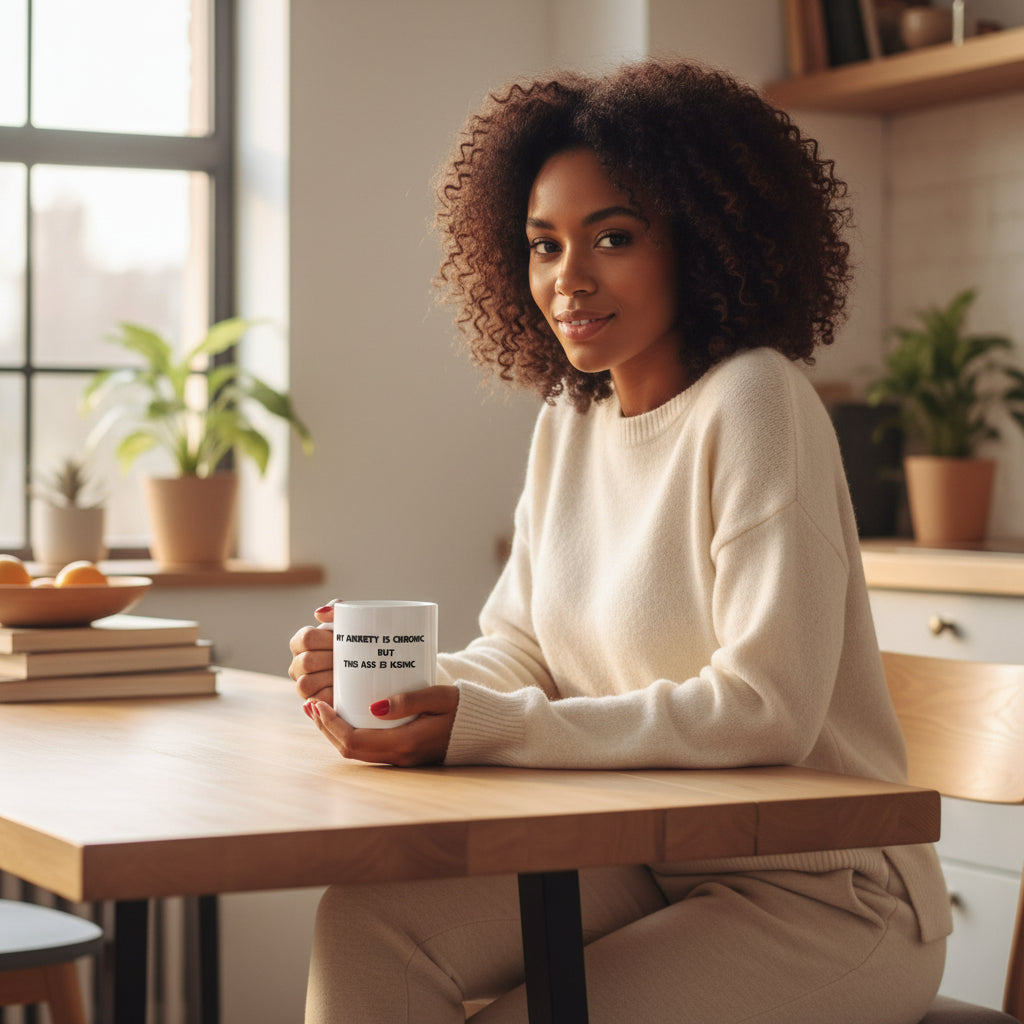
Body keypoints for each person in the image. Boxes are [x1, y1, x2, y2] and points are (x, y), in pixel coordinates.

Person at [288, 58, 951, 1024]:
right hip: (648, 859)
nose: (569, 279)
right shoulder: (570, 419)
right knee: (368, 925)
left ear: (703, 239)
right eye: (544, 245)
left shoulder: (756, 400)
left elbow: (765, 710)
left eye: (614, 237)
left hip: (823, 895)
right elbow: (522, 651)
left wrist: (486, 726)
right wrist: (402, 689)